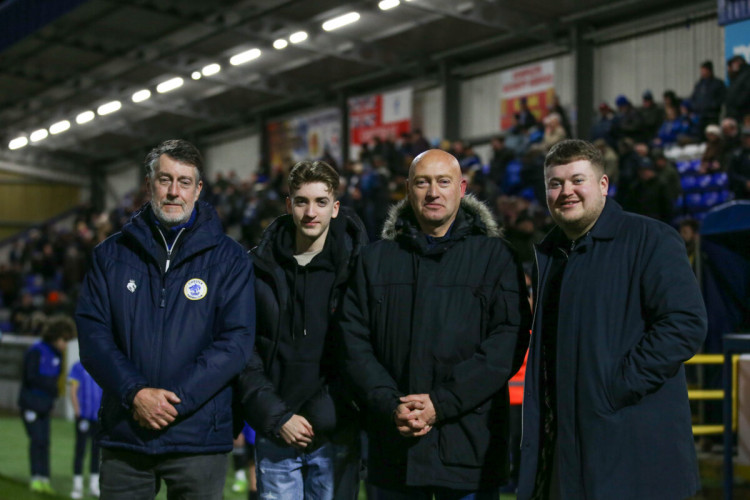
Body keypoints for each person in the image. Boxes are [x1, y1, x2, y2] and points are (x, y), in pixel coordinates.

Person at [518, 139, 707, 500]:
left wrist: (614, 386)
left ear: (603, 185)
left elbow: (685, 323)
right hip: (567, 455)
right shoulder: (551, 255)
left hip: (635, 458)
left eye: (577, 180)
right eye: (555, 184)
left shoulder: (650, 239)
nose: (566, 192)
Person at [338, 149, 531, 498]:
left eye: (443, 182)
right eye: (422, 182)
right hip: (393, 449)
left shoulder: (496, 257)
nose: (433, 192)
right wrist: (389, 402)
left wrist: (441, 403)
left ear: (461, 187)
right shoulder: (373, 260)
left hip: (468, 452)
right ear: (408, 189)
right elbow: (352, 342)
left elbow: (507, 343)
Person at [75, 139, 256, 500]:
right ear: (149, 184)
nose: (174, 191)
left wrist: (173, 401)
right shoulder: (110, 256)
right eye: (165, 179)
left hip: (198, 436)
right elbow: (94, 336)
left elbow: (235, 342)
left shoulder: (231, 260)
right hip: (127, 433)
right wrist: (136, 393)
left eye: (185, 181)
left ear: (198, 189)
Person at [237, 160, 368, 500]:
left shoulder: (360, 271)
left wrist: (324, 413)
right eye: (302, 201)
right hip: (276, 433)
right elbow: (243, 349)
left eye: (321, 202)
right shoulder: (257, 270)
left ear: (335, 208)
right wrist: (276, 416)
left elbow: (366, 349)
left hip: (336, 434)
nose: (311, 212)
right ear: (288, 205)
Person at [18, 315, 76, 493]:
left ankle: (44, 479)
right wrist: (50, 385)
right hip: (31, 404)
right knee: (37, 441)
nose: (65, 344)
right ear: (55, 336)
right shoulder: (36, 350)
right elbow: (30, 377)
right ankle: (35, 477)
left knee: (45, 442)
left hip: (45, 405)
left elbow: (54, 381)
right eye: (64, 340)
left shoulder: (57, 354)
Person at [68, 360, 103, 499]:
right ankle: (77, 486)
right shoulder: (77, 366)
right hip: (83, 416)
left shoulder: (101, 365)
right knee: (80, 450)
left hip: (98, 418)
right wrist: (77, 412)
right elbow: (73, 390)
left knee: (96, 451)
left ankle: (94, 485)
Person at [690, 61, 726, 134]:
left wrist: (712, 106)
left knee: (712, 133)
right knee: (700, 134)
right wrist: (695, 107)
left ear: (709, 71)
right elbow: (693, 97)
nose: (702, 73)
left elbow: (722, 98)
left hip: (712, 116)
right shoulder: (699, 84)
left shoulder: (718, 83)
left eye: (704, 71)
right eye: (702, 71)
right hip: (700, 116)